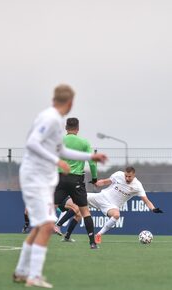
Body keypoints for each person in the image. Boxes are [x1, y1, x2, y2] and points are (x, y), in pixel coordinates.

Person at [13, 84, 107, 288]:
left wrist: (90, 156)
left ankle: (21, 272)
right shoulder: (52, 118)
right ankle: (34, 276)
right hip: (35, 176)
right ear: (71, 103)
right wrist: (56, 161)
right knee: (47, 225)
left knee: (42, 225)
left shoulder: (51, 118)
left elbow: (61, 149)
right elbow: (33, 143)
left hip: (43, 177)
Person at [53, 117, 99, 247]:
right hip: (76, 180)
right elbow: (92, 162)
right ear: (78, 129)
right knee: (85, 212)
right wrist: (94, 178)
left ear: (66, 128)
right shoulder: (84, 143)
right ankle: (92, 243)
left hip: (60, 178)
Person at [89, 166, 163, 244]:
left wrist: (153, 209)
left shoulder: (137, 186)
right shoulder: (118, 175)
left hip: (111, 206)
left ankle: (98, 235)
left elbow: (146, 201)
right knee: (76, 199)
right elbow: (105, 182)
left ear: (134, 175)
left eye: (129, 177)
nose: (127, 178)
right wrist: (96, 183)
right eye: (126, 176)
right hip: (101, 197)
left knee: (116, 215)